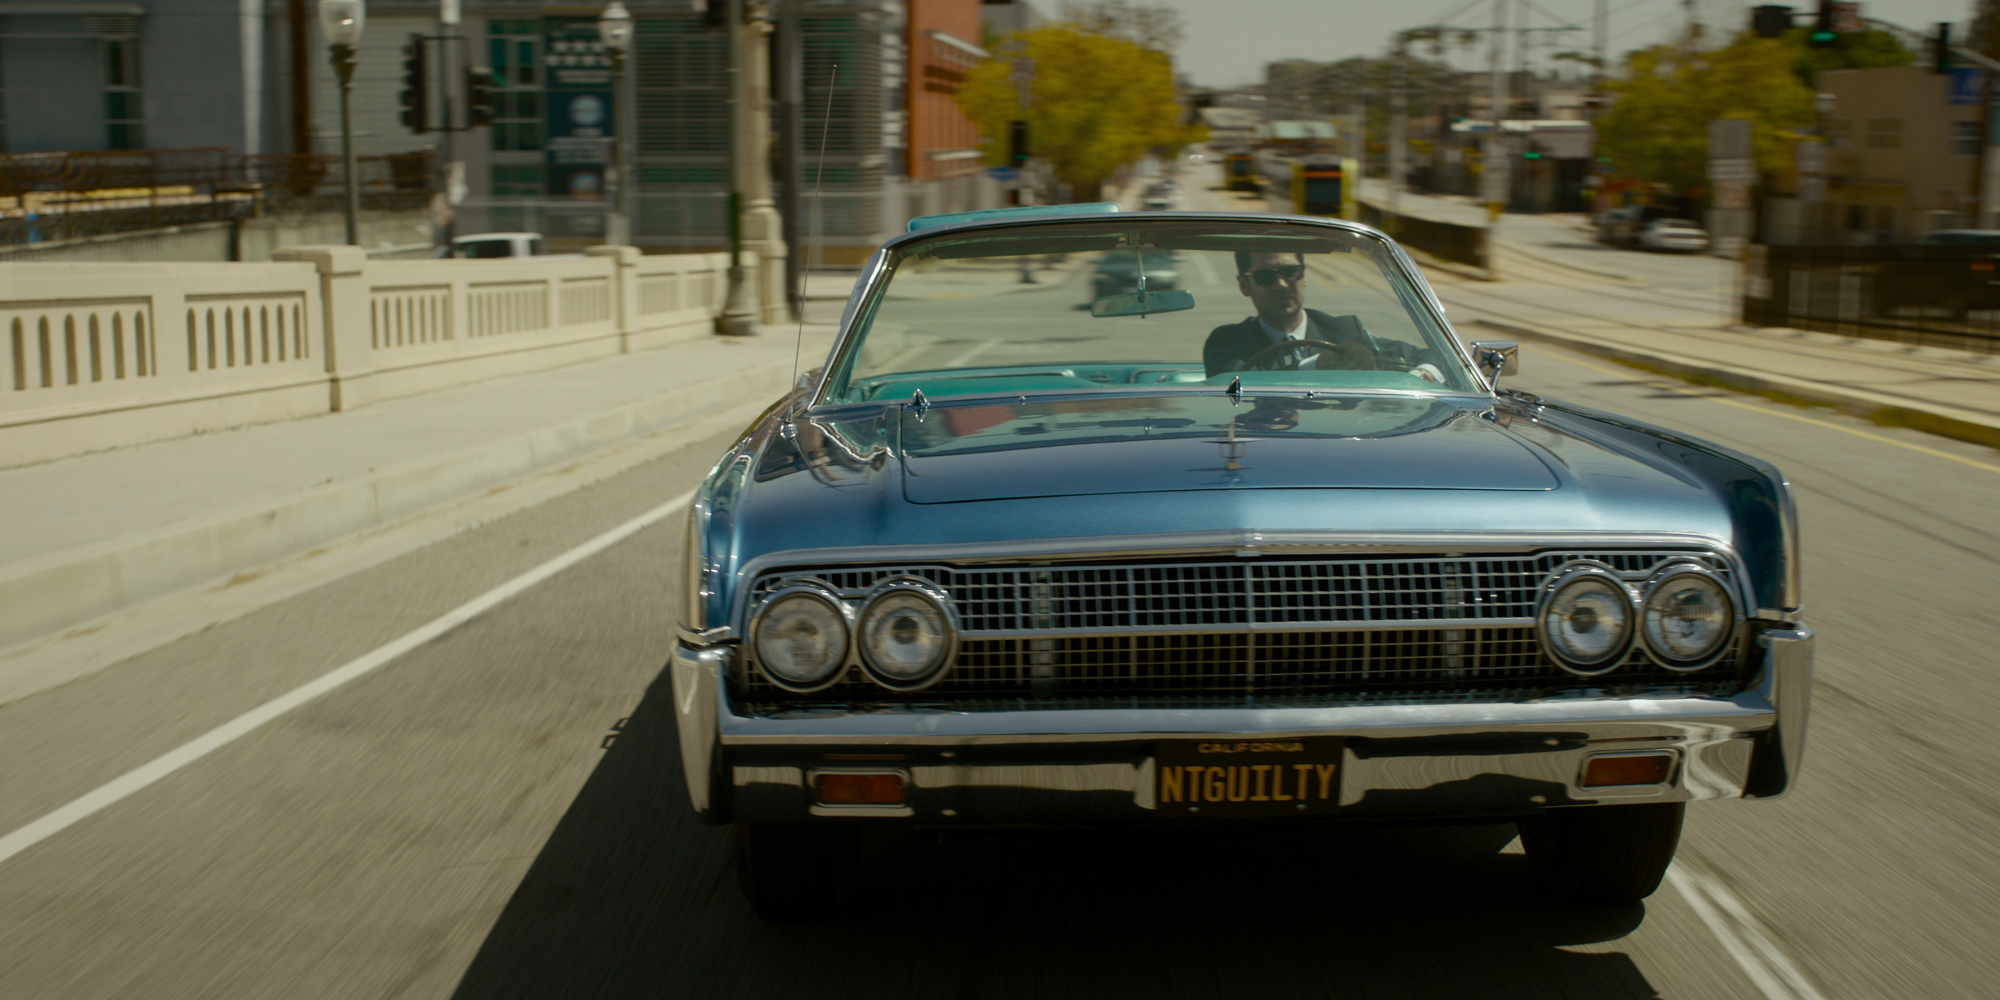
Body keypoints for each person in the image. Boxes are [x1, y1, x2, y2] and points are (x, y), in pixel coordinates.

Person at [1202, 251, 1441, 383]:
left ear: (1304, 276)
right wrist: (1316, 366)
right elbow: (1237, 389)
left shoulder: (1343, 331)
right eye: (1266, 276)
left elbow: (1438, 356)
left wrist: (1420, 376)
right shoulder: (1227, 342)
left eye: (1291, 272)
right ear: (1244, 285)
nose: (1282, 284)